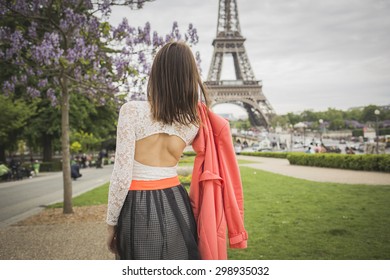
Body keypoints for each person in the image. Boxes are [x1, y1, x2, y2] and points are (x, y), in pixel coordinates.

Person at [106, 41, 209, 260]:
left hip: (137, 203)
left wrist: (111, 224)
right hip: (176, 201)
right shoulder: (192, 122)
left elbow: (121, 176)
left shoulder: (132, 111)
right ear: (190, 76)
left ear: (157, 72)